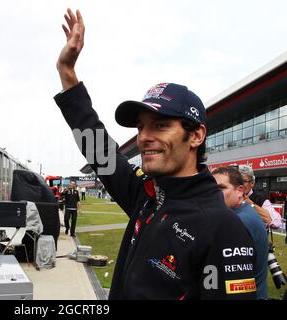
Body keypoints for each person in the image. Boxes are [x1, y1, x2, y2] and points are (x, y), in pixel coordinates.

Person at [54, 8, 256, 299]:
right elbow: (98, 148)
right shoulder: (147, 195)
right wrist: (67, 73)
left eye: (160, 125)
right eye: (140, 127)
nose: (144, 137)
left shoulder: (223, 229)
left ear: (196, 136)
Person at [212, 166, 268, 299]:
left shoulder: (238, 221)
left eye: (221, 188)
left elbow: (237, 281)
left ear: (240, 191)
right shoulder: (243, 213)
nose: (214, 194)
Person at [238, 165, 282, 230]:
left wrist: (251, 204)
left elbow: (277, 223)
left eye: (244, 181)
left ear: (252, 183)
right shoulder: (230, 197)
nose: (240, 184)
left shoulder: (261, 200)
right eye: (238, 181)